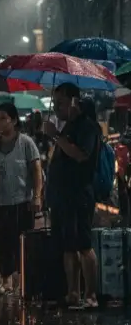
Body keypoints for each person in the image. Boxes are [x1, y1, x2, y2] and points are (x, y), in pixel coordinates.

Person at [43, 83, 100, 309]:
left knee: (84, 245)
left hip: (79, 194)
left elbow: (80, 155)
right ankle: (73, 293)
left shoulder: (87, 127)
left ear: (74, 101)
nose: (56, 108)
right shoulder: (67, 127)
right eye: (54, 103)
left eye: (61, 103)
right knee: (68, 246)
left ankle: (91, 295)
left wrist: (55, 135)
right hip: (61, 196)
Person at [0, 103, 43, 295]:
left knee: (21, 244)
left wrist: (37, 196)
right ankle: (6, 281)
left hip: (22, 201)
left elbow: (36, 171)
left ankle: (23, 281)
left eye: (3, 118)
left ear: (14, 120)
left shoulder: (26, 143)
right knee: (1, 243)